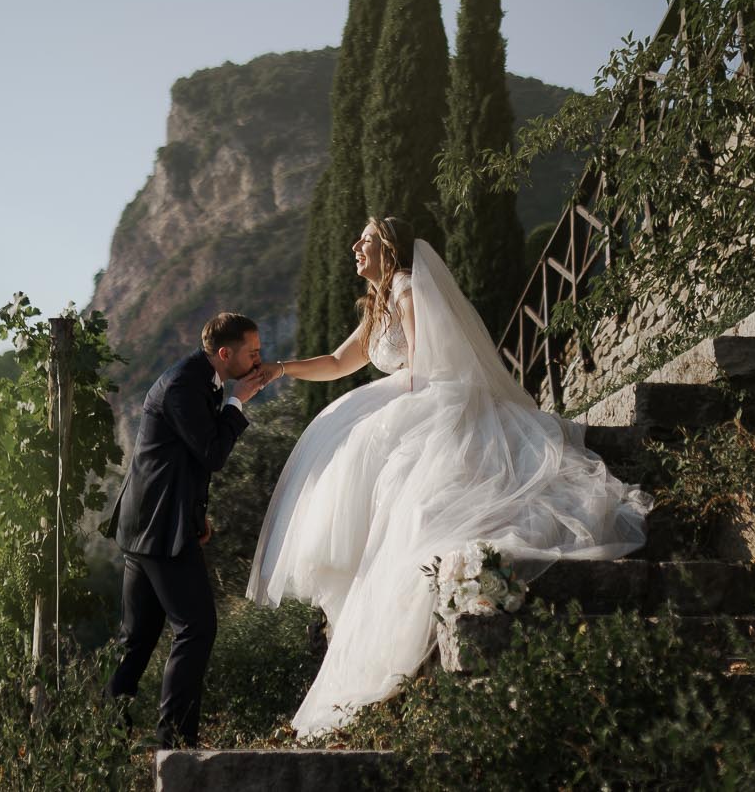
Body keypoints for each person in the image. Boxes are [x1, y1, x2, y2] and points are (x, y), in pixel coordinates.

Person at [248, 216, 650, 736]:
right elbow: (337, 361)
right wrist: (280, 369)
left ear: (387, 248)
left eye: (365, 240)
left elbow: (420, 371)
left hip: (429, 396)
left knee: (385, 464)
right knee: (348, 446)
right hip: (407, 392)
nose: (354, 246)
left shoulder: (408, 291)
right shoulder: (378, 304)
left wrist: (381, 418)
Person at [105, 311, 280, 748]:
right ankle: (176, 742)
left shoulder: (203, 380)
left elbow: (180, 456)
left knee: (137, 641)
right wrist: (238, 402)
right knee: (196, 627)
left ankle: (107, 741)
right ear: (225, 354)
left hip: (154, 521)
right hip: (158, 528)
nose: (259, 361)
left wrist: (195, 511)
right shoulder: (185, 384)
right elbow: (211, 451)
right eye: (252, 353)